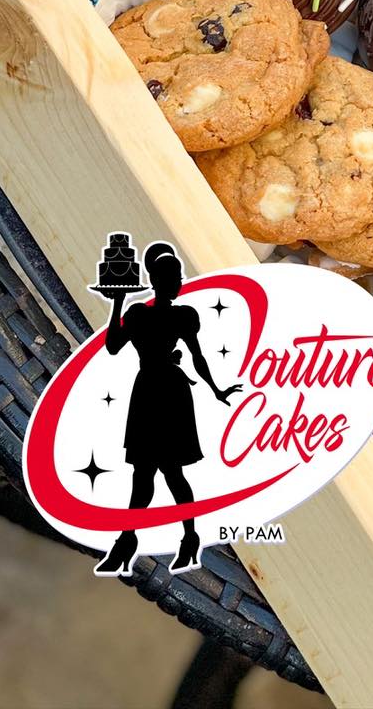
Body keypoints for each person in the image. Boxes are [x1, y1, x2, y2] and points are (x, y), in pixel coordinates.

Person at [94, 242, 241, 575]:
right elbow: (113, 346)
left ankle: (178, 538)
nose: (179, 282)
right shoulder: (139, 314)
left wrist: (216, 389)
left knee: (170, 471)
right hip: (149, 390)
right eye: (175, 277)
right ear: (160, 280)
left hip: (169, 391)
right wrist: (117, 304)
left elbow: (198, 356)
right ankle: (133, 540)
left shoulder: (181, 316)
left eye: (179, 276)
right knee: (144, 472)